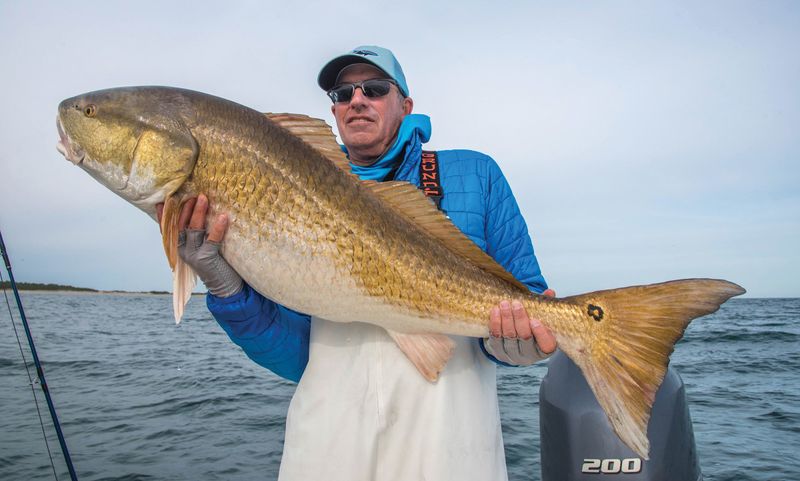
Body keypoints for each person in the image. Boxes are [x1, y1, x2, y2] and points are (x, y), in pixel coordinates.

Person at [166, 46, 557, 481]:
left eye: (373, 88)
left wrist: (514, 345)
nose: (357, 100)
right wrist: (225, 287)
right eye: (342, 93)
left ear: (405, 104)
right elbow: (294, 357)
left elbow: (527, 297)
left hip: (452, 449)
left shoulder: (476, 175)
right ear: (333, 111)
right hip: (328, 448)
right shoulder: (292, 188)